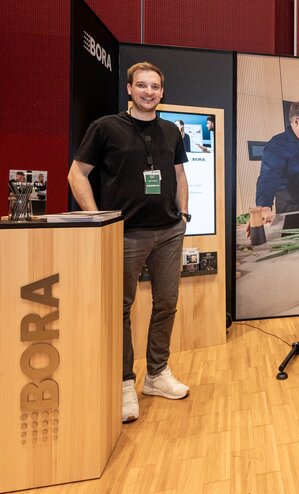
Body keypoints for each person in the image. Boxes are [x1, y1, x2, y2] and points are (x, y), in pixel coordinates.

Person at [67, 61, 191, 423]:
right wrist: (98, 219)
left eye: (155, 86)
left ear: (162, 91)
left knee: (166, 304)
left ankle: (157, 374)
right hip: (125, 234)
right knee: (120, 309)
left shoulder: (170, 131)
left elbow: (180, 175)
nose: (148, 92)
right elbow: (77, 174)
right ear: (130, 89)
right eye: (142, 85)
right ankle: (124, 383)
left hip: (169, 232)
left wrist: (183, 215)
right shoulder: (105, 127)